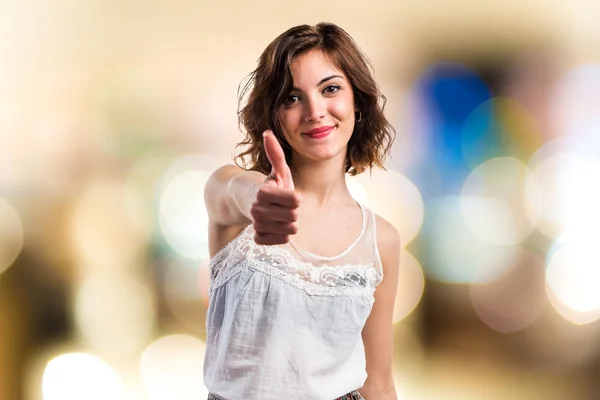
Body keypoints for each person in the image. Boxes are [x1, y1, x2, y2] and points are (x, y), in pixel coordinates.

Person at [203, 22, 400, 400]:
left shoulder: (382, 240)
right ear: (274, 115)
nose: (314, 111)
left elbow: (379, 383)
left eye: (330, 89)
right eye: (292, 98)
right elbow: (229, 192)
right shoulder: (239, 200)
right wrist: (258, 198)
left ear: (356, 102)